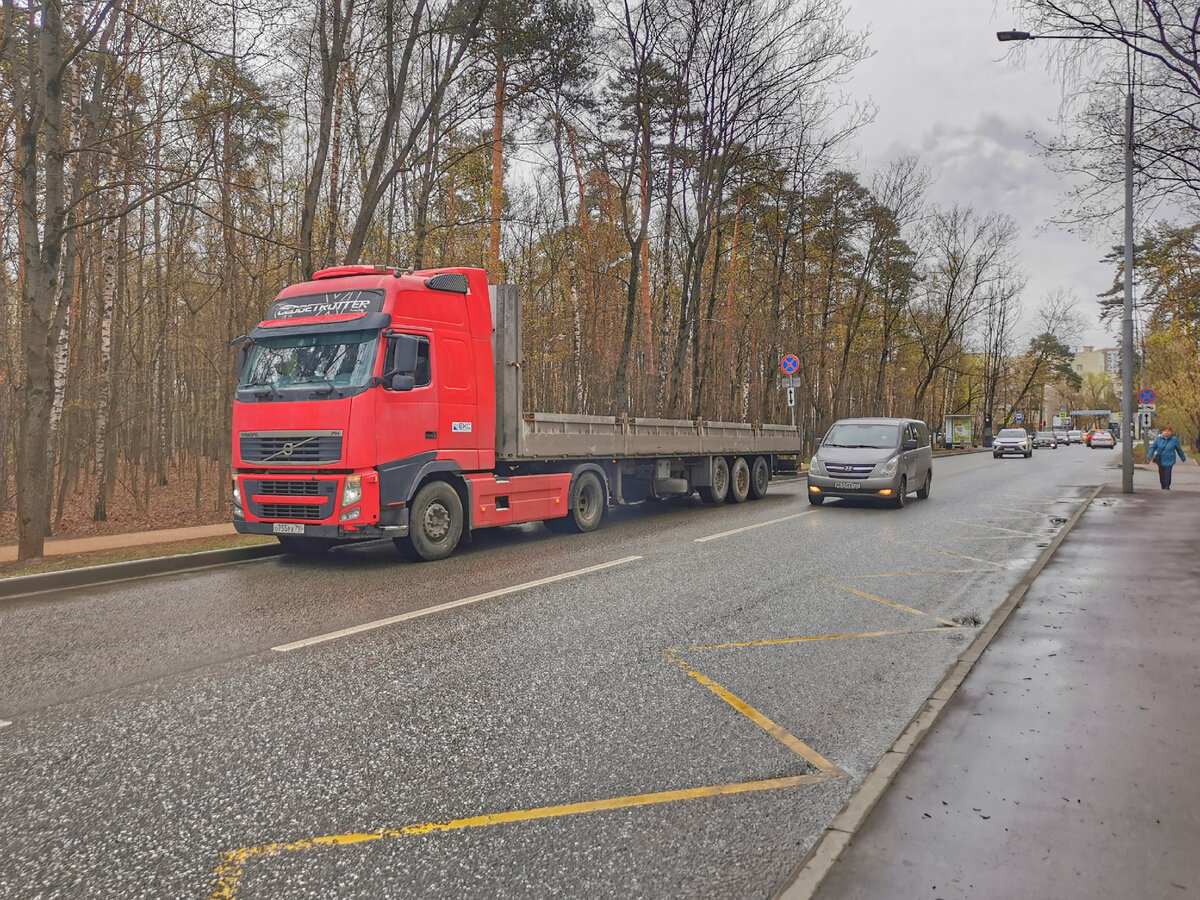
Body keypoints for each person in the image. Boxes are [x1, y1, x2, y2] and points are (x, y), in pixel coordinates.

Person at [1147, 424, 1187, 490]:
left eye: (1169, 431)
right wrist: (1150, 455)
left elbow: (1179, 449)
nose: (1167, 432)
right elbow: (1153, 447)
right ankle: (1163, 485)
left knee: (1168, 473)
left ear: (1171, 432)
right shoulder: (1158, 439)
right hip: (1161, 460)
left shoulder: (1174, 440)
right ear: (1163, 432)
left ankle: (1167, 486)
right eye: (1165, 431)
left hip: (1170, 460)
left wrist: (1183, 458)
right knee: (1162, 474)